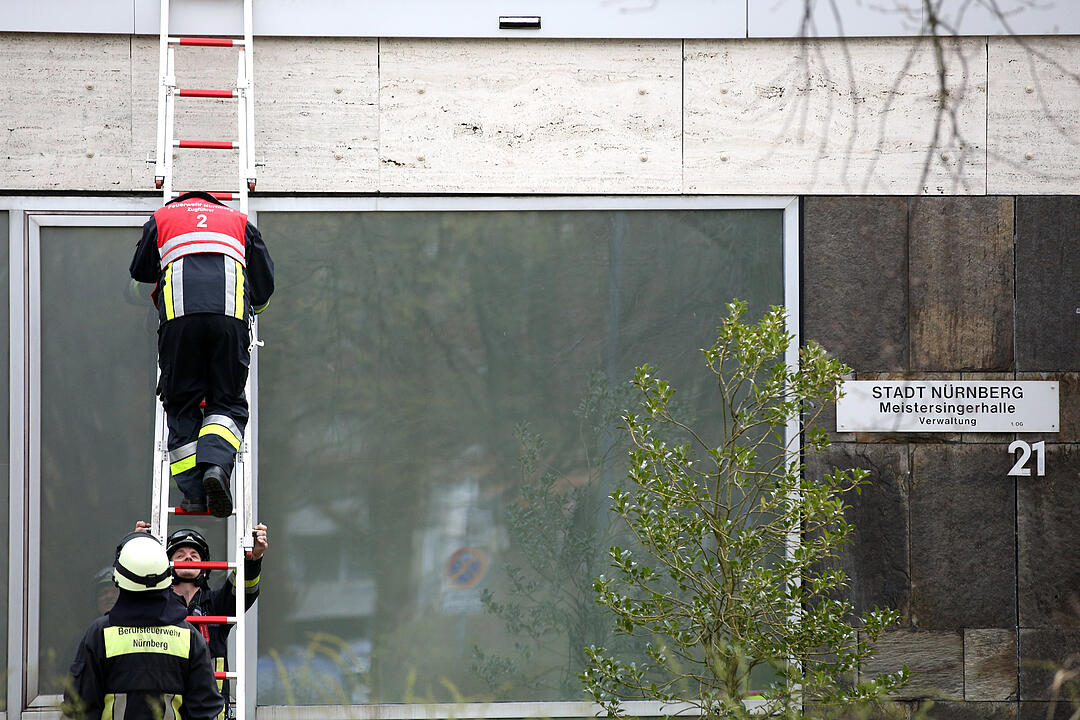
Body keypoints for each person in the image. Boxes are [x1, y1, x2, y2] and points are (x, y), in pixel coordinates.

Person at [129, 191, 274, 518]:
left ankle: (194, 494)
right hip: (229, 319)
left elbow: (140, 274)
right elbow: (264, 288)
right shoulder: (239, 222)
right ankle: (216, 468)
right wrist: (255, 307)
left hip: (179, 321)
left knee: (181, 402)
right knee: (228, 400)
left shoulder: (162, 218)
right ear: (216, 204)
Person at [62, 532, 224, 720]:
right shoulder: (189, 636)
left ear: (119, 580)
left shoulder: (100, 634)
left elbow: (79, 708)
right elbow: (205, 710)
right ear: (167, 578)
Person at [135, 522, 267, 719]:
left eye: (194, 555)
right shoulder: (156, 606)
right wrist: (139, 546)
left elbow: (245, 589)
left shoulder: (217, 605)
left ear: (205, 570)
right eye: (179, 555)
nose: (188, 557)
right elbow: (134, 590)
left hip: (210, 712)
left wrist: (254, 558)